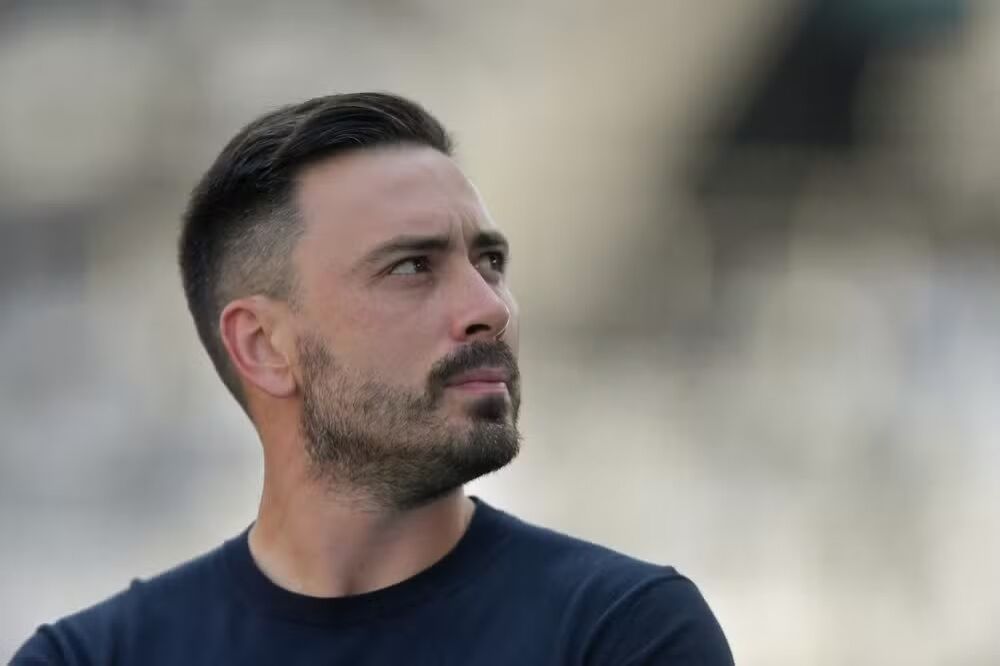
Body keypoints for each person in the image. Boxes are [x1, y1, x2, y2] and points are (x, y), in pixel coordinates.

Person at [12, 92, 733, 665]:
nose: (491, 308)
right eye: (412, 266)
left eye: (489, 262)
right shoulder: (94, 657)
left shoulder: (621, 634)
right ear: (263, 346)